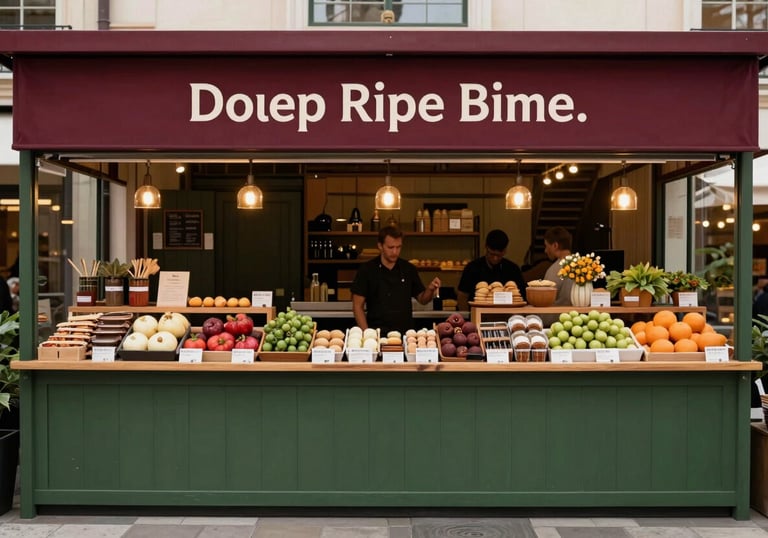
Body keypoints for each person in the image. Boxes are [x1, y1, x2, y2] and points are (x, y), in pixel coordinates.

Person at [351, 226, 440, 334]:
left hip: (405, 334)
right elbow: (357, 306)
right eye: (391, 247)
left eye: (398, 247)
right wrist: (367, 334)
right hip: (377, 333)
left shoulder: (408, 269)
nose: (395, 251)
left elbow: (423, 299)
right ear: (380, 246)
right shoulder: (367, 270)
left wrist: (430, 289)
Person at [457, 229, 526, 310]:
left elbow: (521, 298)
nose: (495, 258)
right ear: (486, 247)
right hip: (476, 315)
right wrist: (467, 319)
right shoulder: (472, 268)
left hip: (506, 316)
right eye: (492, 254)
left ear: (505, 251)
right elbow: (462, 296)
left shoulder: (513, 269)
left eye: (499, 255)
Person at [543, 226, 574, 306]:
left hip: (556, 315)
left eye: (546, 246)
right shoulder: (583, 267)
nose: (545, 251)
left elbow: (545, 298)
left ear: (555, 245)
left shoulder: (555, 269)